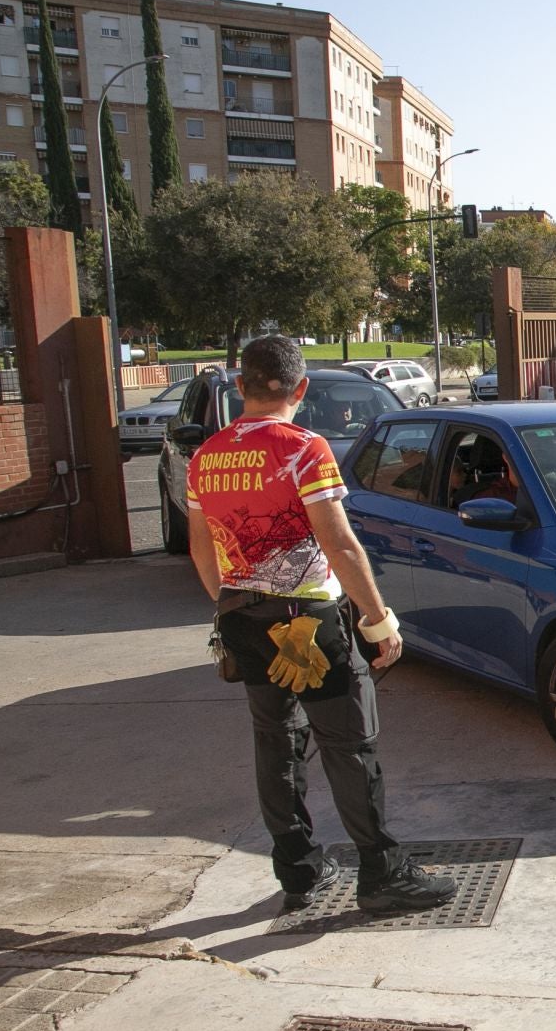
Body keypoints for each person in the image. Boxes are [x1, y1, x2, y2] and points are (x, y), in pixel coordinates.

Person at [186, 338, 457, 916]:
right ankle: (382, 874)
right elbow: (340, 544)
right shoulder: (304, 448)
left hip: (241, 615)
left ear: (241, 387)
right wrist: (378, 619)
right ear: (301, 389)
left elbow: (202, 550)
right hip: (307, 620)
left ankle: (298, 869)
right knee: (349, 743)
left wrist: (233, 605)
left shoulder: (206, 455)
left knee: (276, 740)